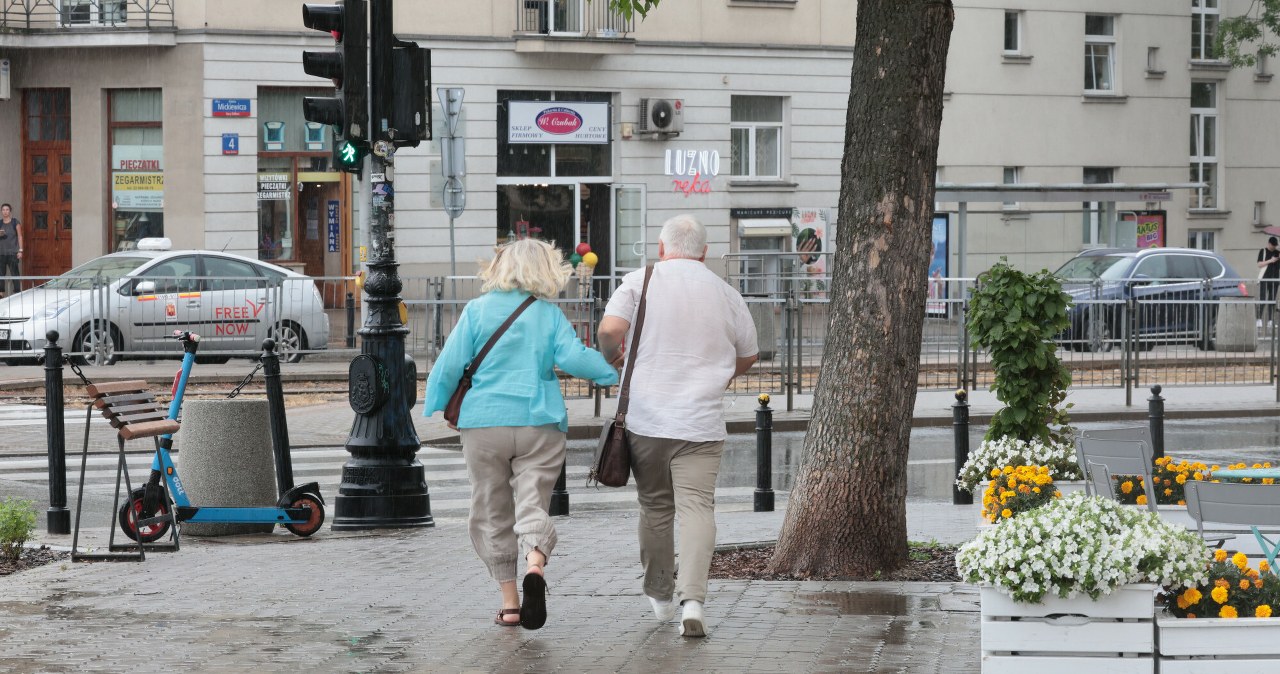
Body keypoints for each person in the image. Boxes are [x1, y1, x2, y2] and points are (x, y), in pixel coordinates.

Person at [422, 238, 619, 630]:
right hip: (538, 421)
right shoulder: (548, 315)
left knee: (491, 508)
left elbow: (449, 364)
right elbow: (574, 357)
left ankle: (511, 604)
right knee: (533, 504)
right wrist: (610, 372)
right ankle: (535, 565)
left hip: (484, 423)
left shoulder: (476, 311)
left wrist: (438, 404)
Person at [597, 214, 759, 638]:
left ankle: (660, 596)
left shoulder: (638, 281)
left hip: (646, 418)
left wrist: (616, 358)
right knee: (698, 509)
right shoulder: (726, 293)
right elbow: (749, 354)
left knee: (655, 506)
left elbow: (610, 331)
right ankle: (694, 601)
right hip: (701, 421)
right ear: (704, 252)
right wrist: (721, 375)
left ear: (662, 247)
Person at [0, 203, 23, 297]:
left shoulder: (15, 222)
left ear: (10, 211)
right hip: (1, 253)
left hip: (13, 252)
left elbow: (20, 236)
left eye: (7, 210)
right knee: (1, 274)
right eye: (3, 210)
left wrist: (20, 250)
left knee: (15, 273)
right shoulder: (0, 223)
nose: (5, 212)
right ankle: (1, 294)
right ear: (1, 211)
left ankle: (17, 293)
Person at [1259, 236, 1280, 327]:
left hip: (1275, 279)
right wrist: (1270, 260)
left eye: (1276, 245)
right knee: (1263, 298)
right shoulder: (1263, 251)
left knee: (1272, 300)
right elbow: (1259, 264)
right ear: (1269, 244)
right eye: (1273, 245)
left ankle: (1270, 320)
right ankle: (1259, 318)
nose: (1274, 247)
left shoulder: (1278, 253)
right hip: (1264, 278)